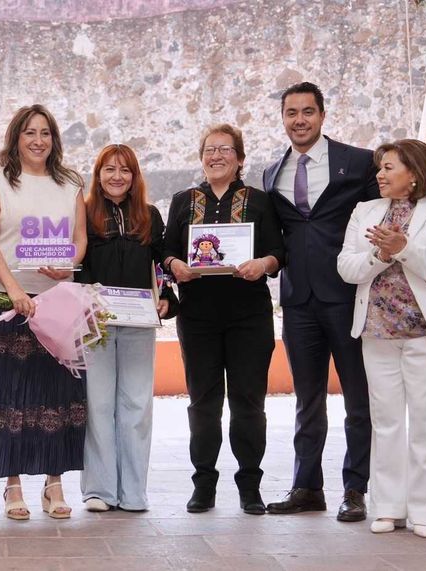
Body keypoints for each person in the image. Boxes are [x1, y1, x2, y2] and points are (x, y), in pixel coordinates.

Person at [0, 104, 87, 520]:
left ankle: (54, 483)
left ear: (54, 139)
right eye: (29, 132)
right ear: (16, 137)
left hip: (55, 303)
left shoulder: (70, 183)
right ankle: (12, 486)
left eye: (45, 132)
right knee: (8, 397)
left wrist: (69, 266)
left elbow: (80, 238)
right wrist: (13, 290)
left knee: (56, 396)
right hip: (5, 302)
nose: (38, 140)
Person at [337, 139, 426, 538]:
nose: (380, 174)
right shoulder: (364, 212)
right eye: (380, 167)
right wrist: (381, 255)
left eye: (389, 167)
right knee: (386, 421)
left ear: (414, 173)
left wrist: (405, 248)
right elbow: (346, 267)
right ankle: (389, 507)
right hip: (377, 332)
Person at [262, 82, 378, 522]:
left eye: (308, 112)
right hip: (297, 300)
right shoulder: (272, 173)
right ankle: (307, 487)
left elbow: (380, 215)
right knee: (307, 399)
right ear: (283, 118)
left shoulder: (358, 162)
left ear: (323, 115)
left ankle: (355, 489)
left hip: (347, 295)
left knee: (357, 399)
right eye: (291, 113)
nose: (299, 120)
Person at [163, 124, 284, 515]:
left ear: (240, 159)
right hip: (198, 317)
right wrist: (175, 265)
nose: (216, 156)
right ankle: (204, 484)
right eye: (208, 150)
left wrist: (262, 263)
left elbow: (279, 252)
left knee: (249, 402)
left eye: (225, 149)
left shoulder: (261, 202)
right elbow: (165, 253)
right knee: (203, 403)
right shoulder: (183, 201)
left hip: (249, 316)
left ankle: (250, 485)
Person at [78, 144, 177, 513]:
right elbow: (79, 262)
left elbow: (162, 263)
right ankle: (100, 491)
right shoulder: (85, 214)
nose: (117, 176)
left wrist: (167, 295)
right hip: (96, 323)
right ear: (98, 174)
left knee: (136, 405)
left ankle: (134, 492)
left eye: (124, 170)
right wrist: (84, 299)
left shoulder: (149, 216)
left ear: (134, 177)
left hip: (138, 324)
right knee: (98, 404)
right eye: (109, 169)